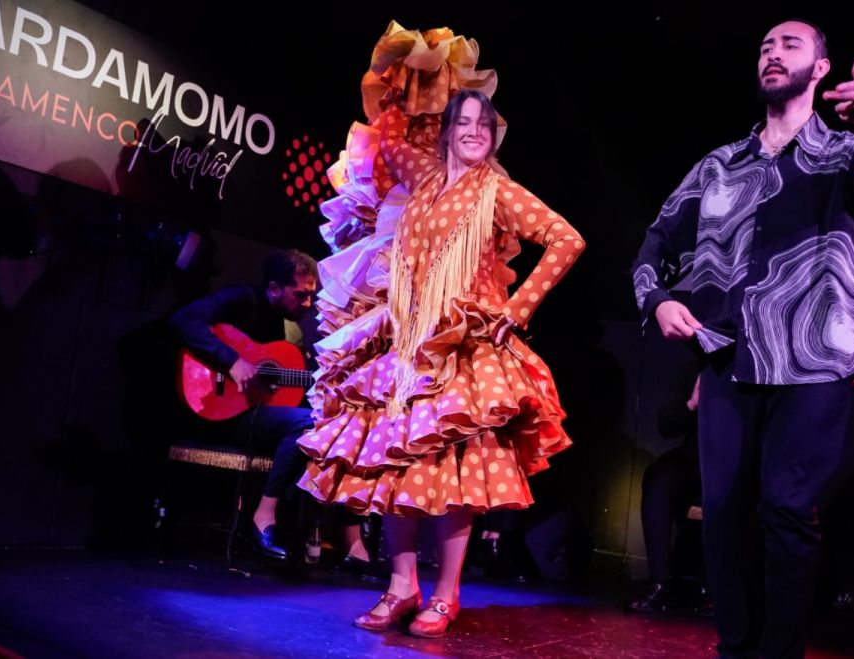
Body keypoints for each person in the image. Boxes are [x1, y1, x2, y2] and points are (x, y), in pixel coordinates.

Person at [631, 18, 854, 658]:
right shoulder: (720, 166)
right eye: (763, 46)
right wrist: (660, 297)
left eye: (789, 45)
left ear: (820, 69)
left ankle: (779, 651)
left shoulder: (842, 154)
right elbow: (655, 243)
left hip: (813, 363)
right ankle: (736, 647)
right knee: (724, 513)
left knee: (787, 510)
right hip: (727, 358)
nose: (771, 54)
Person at [296, 23, 585, 638]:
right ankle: (401, 586)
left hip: (463, 346)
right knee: (395, 469)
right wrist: (412, 75)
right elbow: (387, 134)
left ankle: (446, 594)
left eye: (485, 125)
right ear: (449, 132)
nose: (476, 132)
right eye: (465, 123)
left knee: (454, 476)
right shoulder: (422, 178)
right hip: (406, 344)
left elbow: (566, 239)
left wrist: (518, 308)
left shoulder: (499, 192)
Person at [169, 249, 376, 570]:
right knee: (307, 424)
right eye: (301, 295)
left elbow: (277, 376)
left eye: (311, 295)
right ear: (275, 288)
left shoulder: (286, 330)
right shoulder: (241, 299)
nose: (308, 303)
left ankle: (349, 544)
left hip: (250, 416)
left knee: (335, 426)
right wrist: (232, 361)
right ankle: (264, 515)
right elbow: (184, 320)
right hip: (215, 414)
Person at [626, 361, 709, 614]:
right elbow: (666, 425)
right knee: (660, 477)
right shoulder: (699, 365)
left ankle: (715, 590)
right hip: (696, 455)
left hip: (740, 458)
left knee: (735, 488)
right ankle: (660, 583)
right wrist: (692, 403)